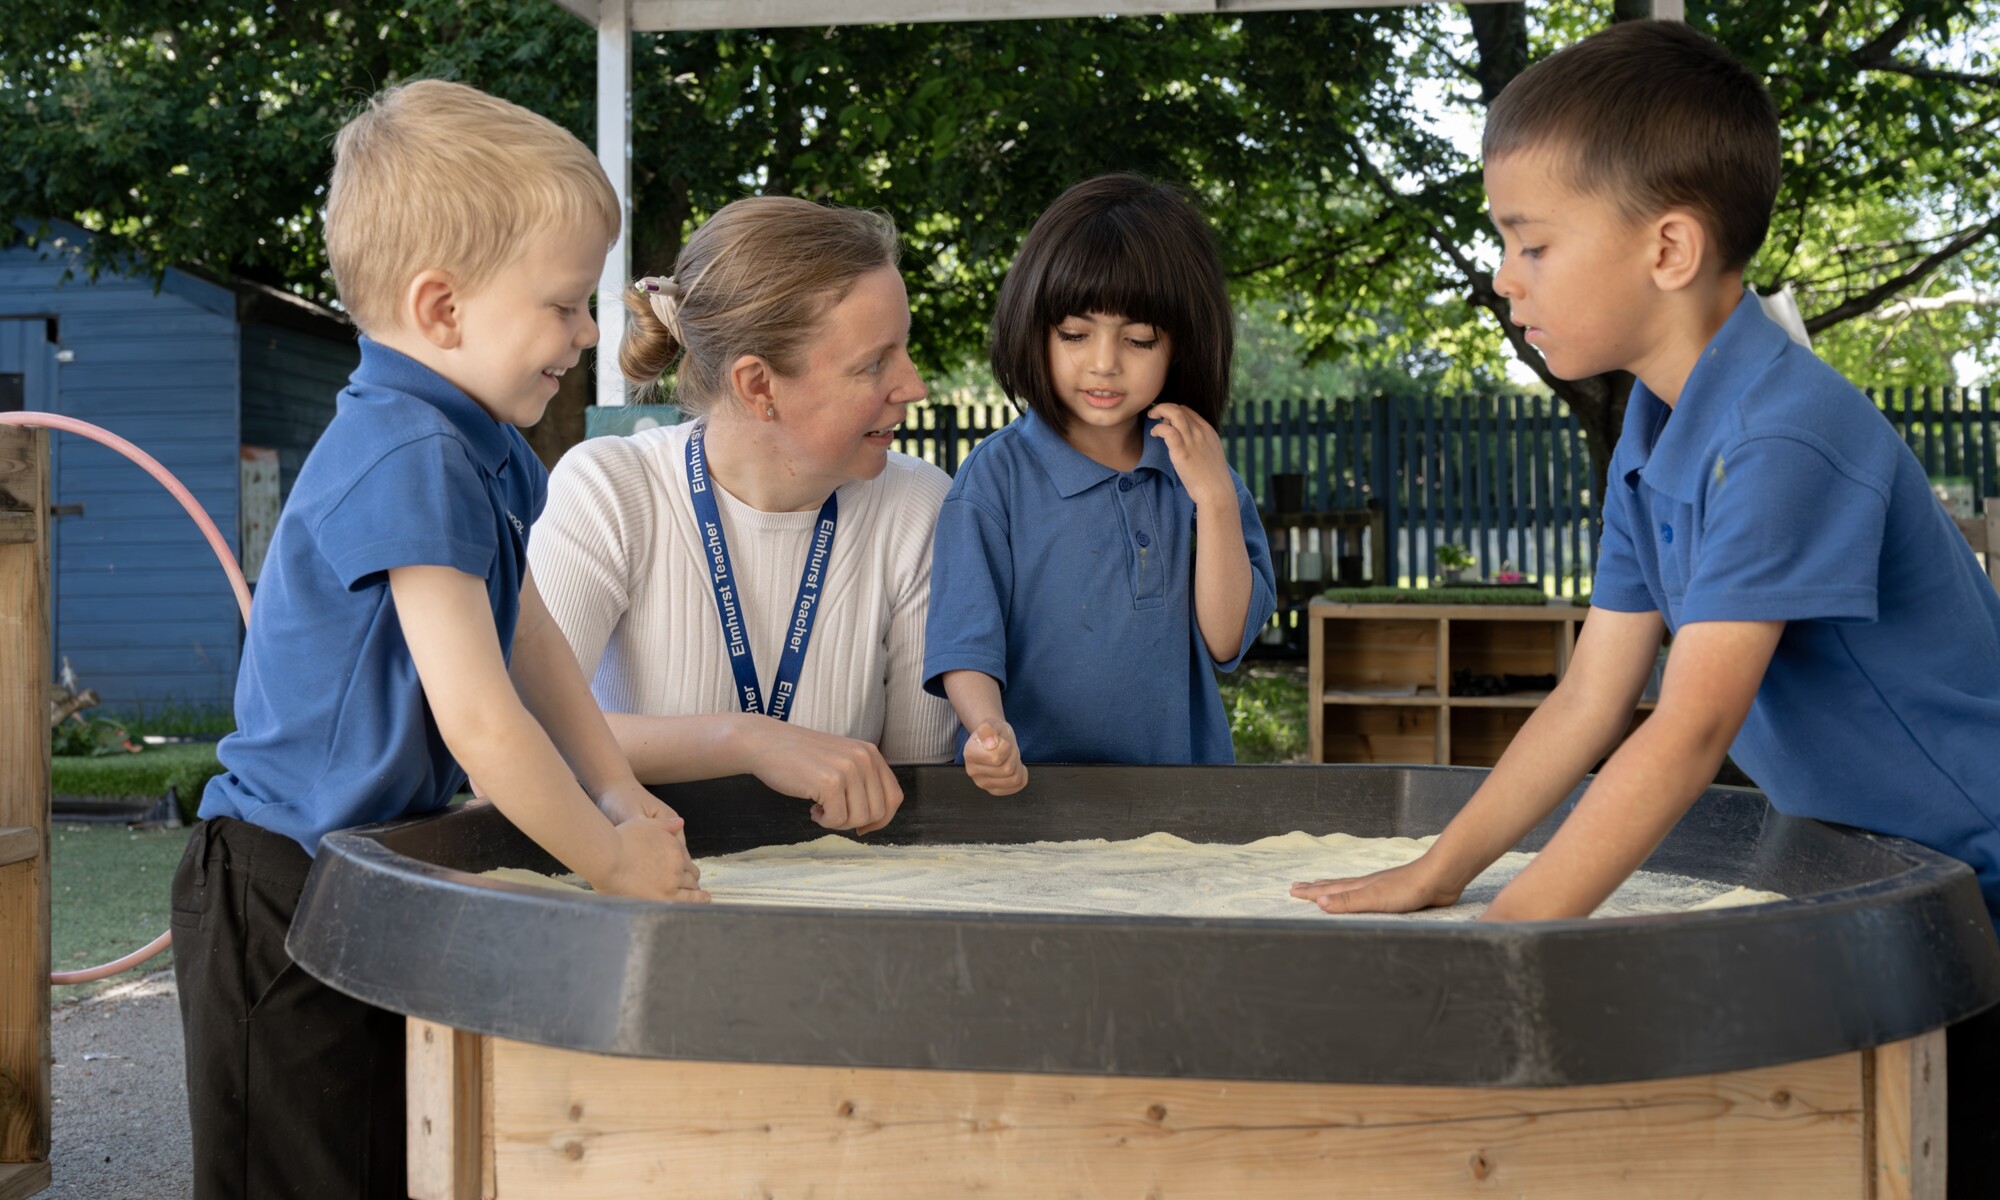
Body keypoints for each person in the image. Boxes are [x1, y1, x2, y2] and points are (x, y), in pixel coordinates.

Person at [1285, 22, 2000, 1195]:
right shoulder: (1652, 434)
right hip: (1871, 872)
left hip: (1971, 877)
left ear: (1667, 245)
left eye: (1531, 243)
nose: (1502, 279)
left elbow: (1689, 727)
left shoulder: (1780, 433)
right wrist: (1441, 869)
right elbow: (1589, 697)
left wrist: (1506, 947)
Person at [172, 80, 706, 1200]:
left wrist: (616, 790)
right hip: (281, 886)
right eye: (563, 305)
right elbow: (478, 715)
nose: (590, 333)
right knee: (304, 1173)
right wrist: (606, 864)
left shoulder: (480, 441)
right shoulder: (408, 448)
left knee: (390, 1157)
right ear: (443, 308)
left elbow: (530, 635)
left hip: (366, 870)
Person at [528, 196, 955, 835]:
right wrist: (746, 740)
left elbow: (918, 784)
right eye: (873, 363)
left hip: (843, 901)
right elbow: (517, 740)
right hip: (642, 891)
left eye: (904, 350)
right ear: (759, 386)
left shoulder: (920, 505)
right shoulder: (611, 490)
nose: (914, 385)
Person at [922, 173, 1278, 795]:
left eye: (1139, 339)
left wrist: (1216, 499)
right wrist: (986, 732)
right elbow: (964, 645)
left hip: (1183, 805)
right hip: (1027, 810)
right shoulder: (995, 478)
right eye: (1075, 334)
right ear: (1035, 330)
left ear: (1182, 346)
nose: (1104, 362)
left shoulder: (1203, 476)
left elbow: (1227, 642)